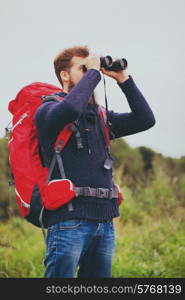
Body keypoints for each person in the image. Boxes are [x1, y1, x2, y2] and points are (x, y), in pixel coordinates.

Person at [34, 45, 156, 278]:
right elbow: (70, 108)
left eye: (94, 69)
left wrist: (123, 79)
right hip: (69, 221)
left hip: (105, 221)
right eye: (84, 68)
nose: (93, 73)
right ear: (65, 75)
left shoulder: (100, 116)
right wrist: (94, 73)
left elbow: (145, 119)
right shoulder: (47, 110)